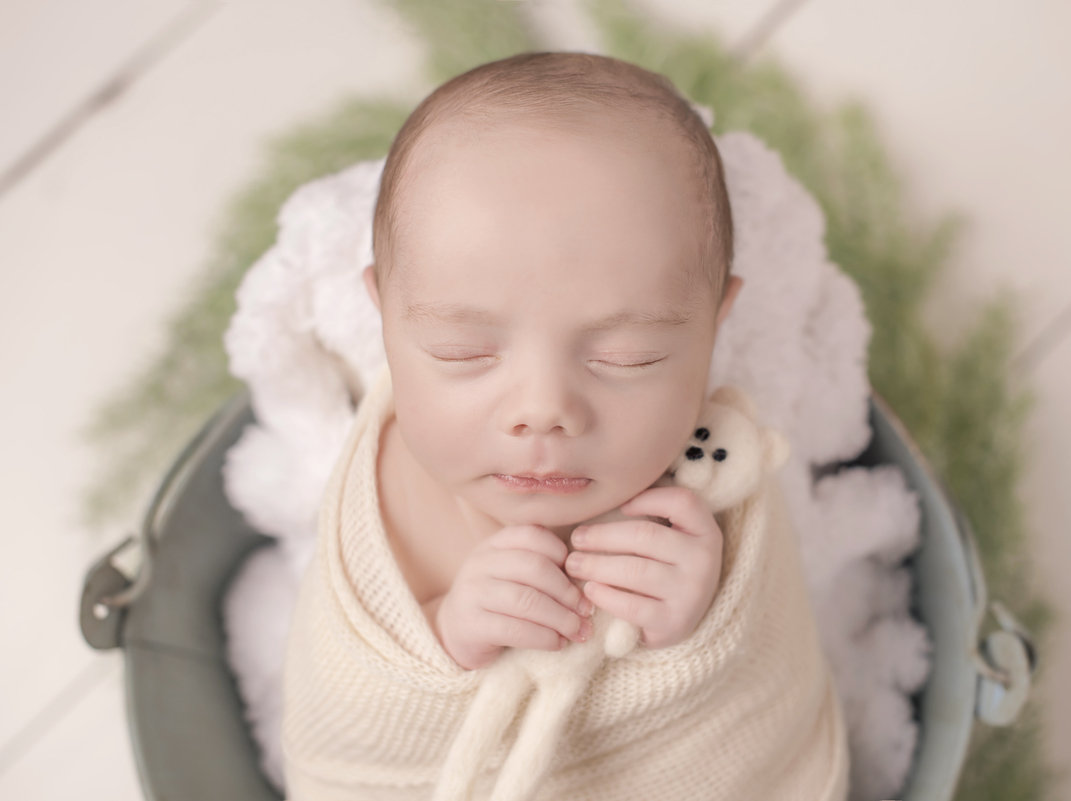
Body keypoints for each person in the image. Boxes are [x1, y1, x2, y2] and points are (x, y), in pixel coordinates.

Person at [281, 52, 848, 801]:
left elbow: (759, 691)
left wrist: (697, 628)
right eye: (465, 351)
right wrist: (447, 633)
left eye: (628, 355)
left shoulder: (713, 477)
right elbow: (346, 700)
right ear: (384, 316)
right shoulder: (387, 485)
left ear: (714, 324)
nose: (544, 409)